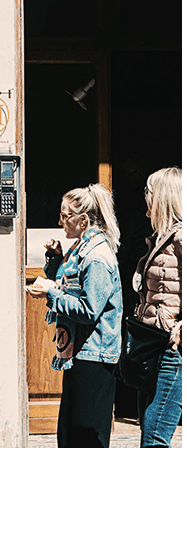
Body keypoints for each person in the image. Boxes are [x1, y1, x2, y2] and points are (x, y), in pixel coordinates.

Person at [27, 184, 123, 447]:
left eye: (65, 215)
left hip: (94, 355)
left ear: (83, 219)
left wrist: (51, 294)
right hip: (79, 353)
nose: (60, 222)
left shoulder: (96, 256)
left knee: (85, 437)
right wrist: (56, 259)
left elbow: (89, 309)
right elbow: (70, 284)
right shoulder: (80, 250)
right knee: (70, 436)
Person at [133, 167, 182, 447]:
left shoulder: (181, 239)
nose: (145, 198)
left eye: (148, 192)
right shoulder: (161, 240)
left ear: (162, 197)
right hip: (153, 345)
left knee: (154, 439)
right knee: (149, 434)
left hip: (172, 351)